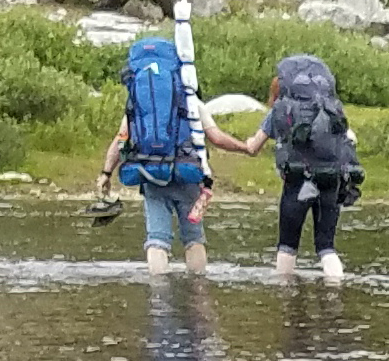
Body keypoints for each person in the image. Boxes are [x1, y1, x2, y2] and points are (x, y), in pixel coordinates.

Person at [216, 51, 361, 284]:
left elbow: (253, 147)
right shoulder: (332, 109)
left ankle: (286, 293)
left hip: (297, 183)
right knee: (326, 246)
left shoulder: (280, 112)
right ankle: (337, 288)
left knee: (288, 244)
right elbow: (350, 140)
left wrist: (232, 145)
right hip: (331, 181)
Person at [97, 33, 211, 277]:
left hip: (150, 174)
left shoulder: (138, 104)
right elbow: (216, 135)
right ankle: (198, 287)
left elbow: (121, 139)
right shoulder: (190, 102)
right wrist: (246, 148)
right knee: (193, 237)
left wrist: (106, 173)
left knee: (157, 239)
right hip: (186, 174)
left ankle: (158, 291)